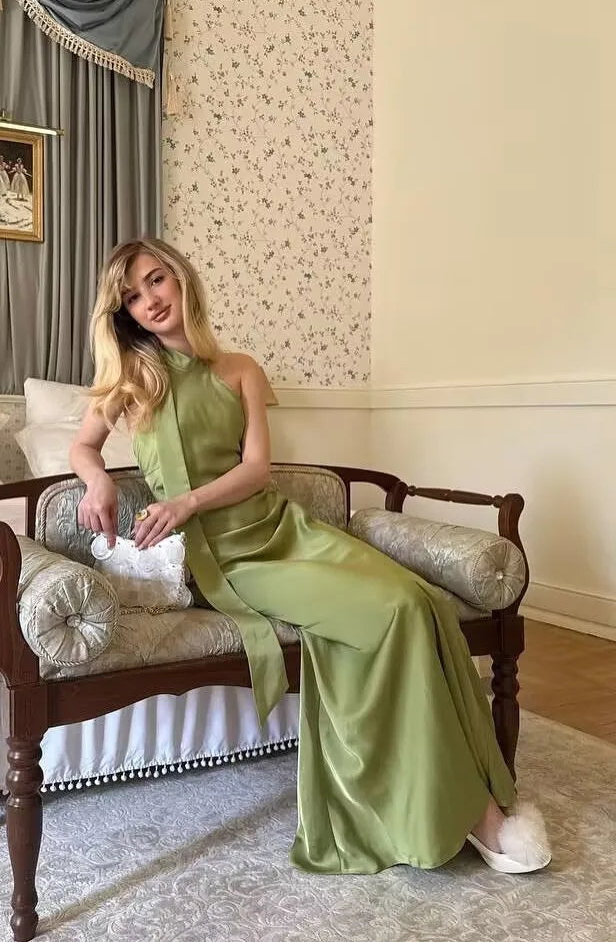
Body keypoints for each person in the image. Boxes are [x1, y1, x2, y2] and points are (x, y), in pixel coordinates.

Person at [69, 238, 551, 876]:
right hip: (228, 558)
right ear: (124, 313)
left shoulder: (241, 368)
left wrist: (187, 500)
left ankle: (455, 791)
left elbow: (256, 470)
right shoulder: (133, 381)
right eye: (131, 296)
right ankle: (475, 816)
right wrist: (97, 481)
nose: (149, 300)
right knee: (391, 613)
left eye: (156, 280)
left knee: (421, 601)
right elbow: (82, 447)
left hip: (285, 530)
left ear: (181, 278)